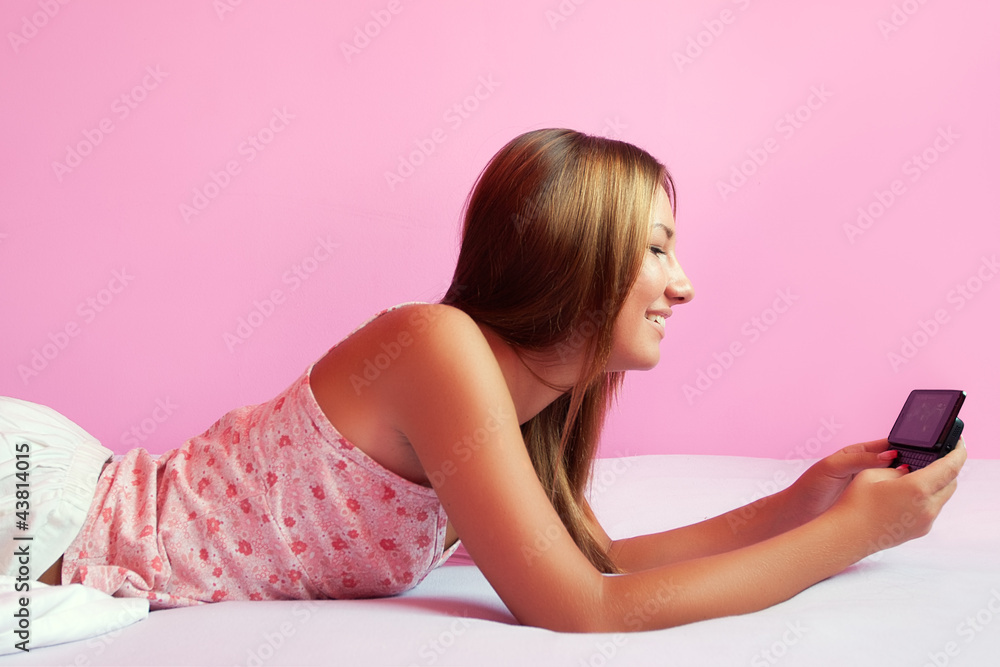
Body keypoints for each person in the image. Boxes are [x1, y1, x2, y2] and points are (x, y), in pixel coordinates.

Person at [1, 128, 966, 632]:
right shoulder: (439, 347)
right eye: (656, 248)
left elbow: (599, 565)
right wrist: (855, 535)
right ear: (578, 252)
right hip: (49, 517)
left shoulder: (512, 399)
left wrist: (806, 501)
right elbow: (582, 611)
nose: (683, 283)